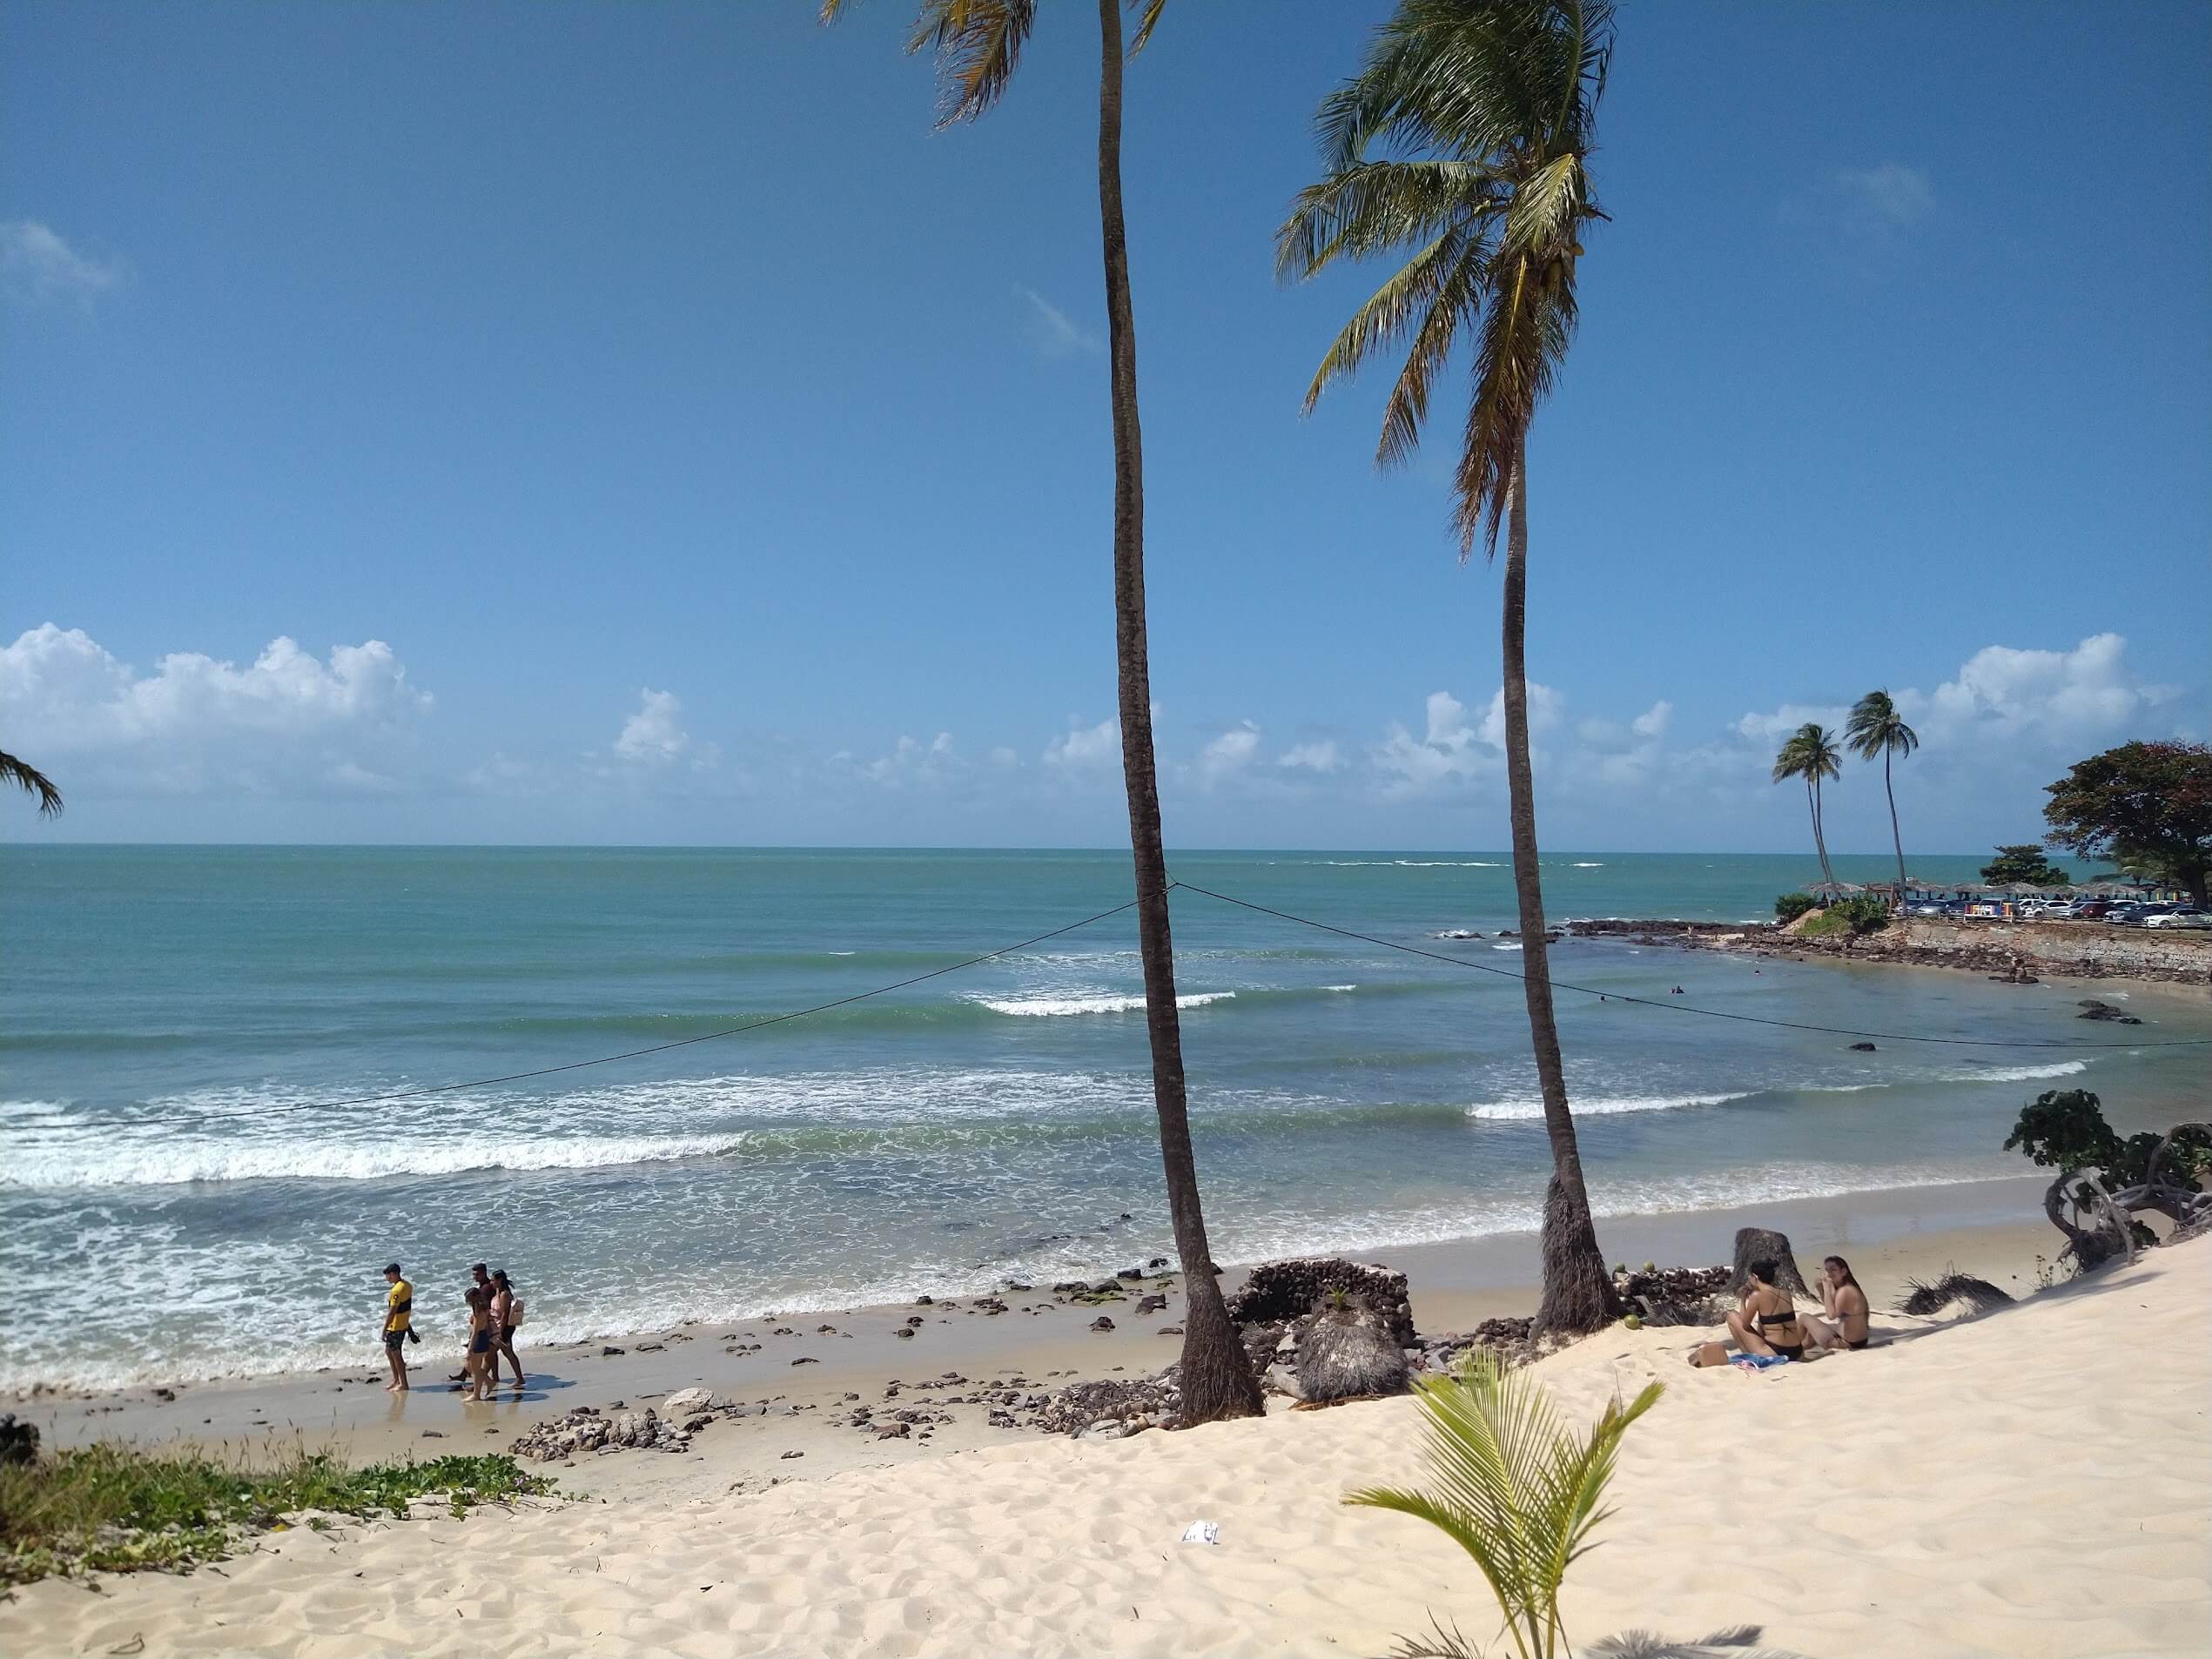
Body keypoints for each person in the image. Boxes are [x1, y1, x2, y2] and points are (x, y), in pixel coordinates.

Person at [1722, 1258, 1805, 1361]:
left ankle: (1749, 1357)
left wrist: (1743, 1300)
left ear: (1755, 1277)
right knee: (1767, 1321)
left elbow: (1745, 1325)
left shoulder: (1757, 1296)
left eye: (1750, 1276)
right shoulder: (1786, 1294)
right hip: (1798, 1352)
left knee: (1732, 1316)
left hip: (1775, 1352)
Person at [1800, 1254, 1871, 1352]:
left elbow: (1831, 1315)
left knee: (1803, 1317)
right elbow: (1830, 1306)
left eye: (1833, 1269)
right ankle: (1800, 1348)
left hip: (1849, 1342)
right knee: (1810, 1333)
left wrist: (1826, 1288)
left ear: (1843, 1271)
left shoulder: (1845, 1291)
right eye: (1826, 1270)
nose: (1829, 1273)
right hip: (1857, 1339)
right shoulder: (1847, 1287)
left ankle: (1793, 1348)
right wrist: (1822, 1290)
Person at [490, 1269, 525, 1389]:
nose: (491, 1283)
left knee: (504, 1352)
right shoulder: (497, 1293)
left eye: (493, 1280)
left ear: (499, 1280)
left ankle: (519, 1378)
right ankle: (493, 1378)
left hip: (504, 1328)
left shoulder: (504, 1294)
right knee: (506, 1352)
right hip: (499, 1327)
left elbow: (505, 1314)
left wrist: (500, 1331)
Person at [380, 1263, 413, 1392]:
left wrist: (384, 1329)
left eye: (388, 1276)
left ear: (393, 1274)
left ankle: (403, 1384)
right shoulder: (408, 1285)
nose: (387, 1279)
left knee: (396, 1354)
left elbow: (392, 1312)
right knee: (389, 1352)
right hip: (403, 1324)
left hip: (396, 1327)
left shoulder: (396, 1290)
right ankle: (396, 1380)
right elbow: (406, 1307)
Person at [462, 1285, 494, 1401]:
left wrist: (470, 1349)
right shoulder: (484, 1307)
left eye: (468, 1300)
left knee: (475, 1370)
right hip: (484, 1337)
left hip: (479, 1339)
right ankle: (489, 1383)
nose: (467, 1302)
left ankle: (476, 1394)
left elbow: (475, 1332)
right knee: (474, 1367)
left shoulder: (478, 1311)